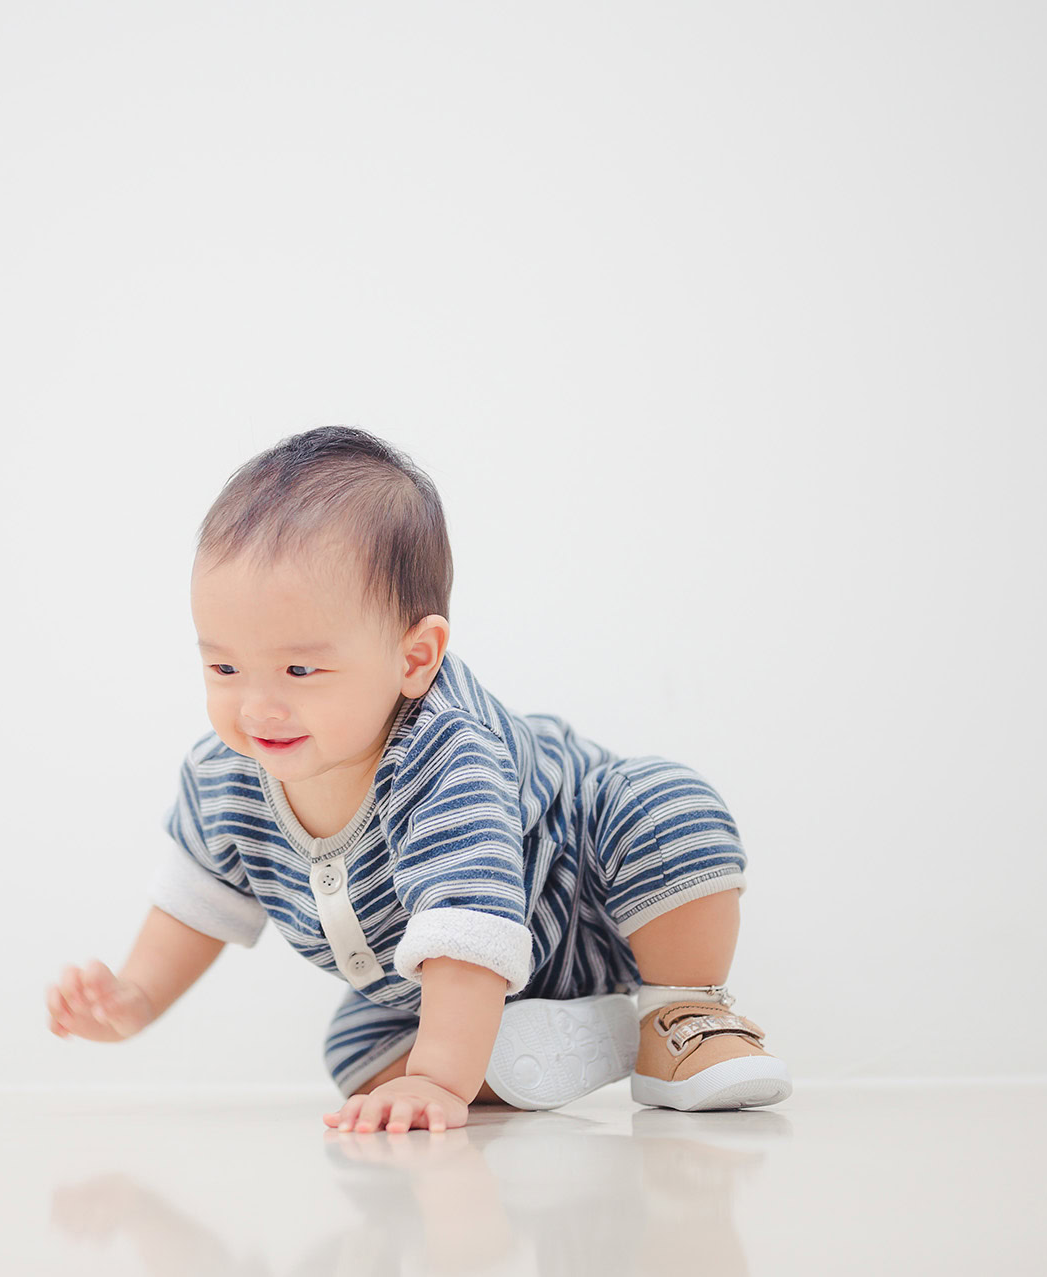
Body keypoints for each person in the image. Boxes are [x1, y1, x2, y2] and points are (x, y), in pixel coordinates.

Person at [46, 426, 792, 1132]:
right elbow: (193, 905)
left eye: (301, 669)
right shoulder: (226, 778)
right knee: (357, 1055)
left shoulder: (441, 753)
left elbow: (467, 914)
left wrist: (437, 1076)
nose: (257, 704)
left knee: (667, 810)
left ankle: (682, 1013)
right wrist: (134, 997)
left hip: (583, 905)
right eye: (224, 667)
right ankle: (568, 1042)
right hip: (433, 982)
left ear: (414, 657)